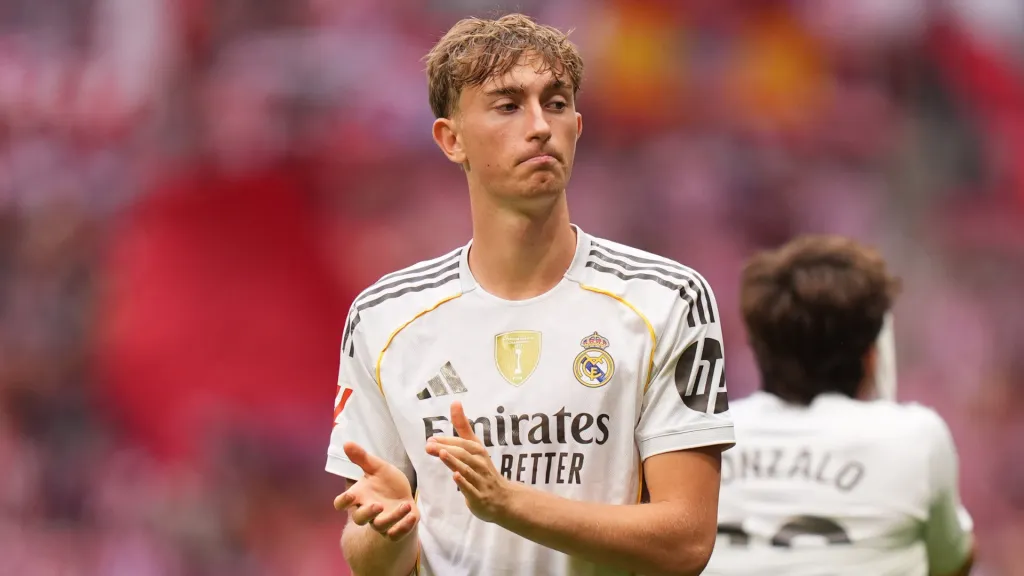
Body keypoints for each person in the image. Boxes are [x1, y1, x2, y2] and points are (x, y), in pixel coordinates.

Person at [324, 13, 735, 576]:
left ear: (577, 127)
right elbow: (371, 562)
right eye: (508, 105)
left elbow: (686, 541)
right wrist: (386, 527)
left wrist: (508, 503)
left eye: (556, 103)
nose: (540, 126)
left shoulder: (667, 299)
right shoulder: (384, 317)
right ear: (451, 139)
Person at [703, 235, 975, 576]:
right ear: (871, 356)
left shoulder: (705, 438)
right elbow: (952, 562)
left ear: (758, 350)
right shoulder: (917, 436)